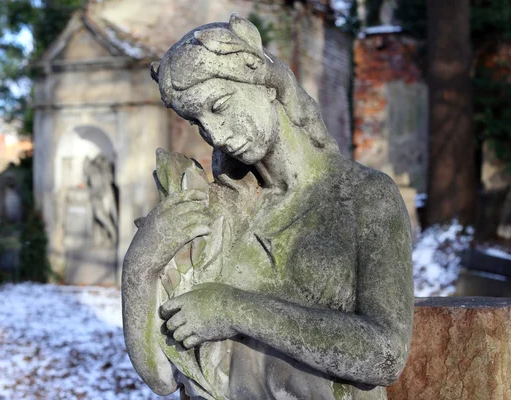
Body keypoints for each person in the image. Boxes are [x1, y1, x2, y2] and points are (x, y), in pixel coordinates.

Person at [122, 14, 413, 400]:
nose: (216, 134)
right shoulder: (216, 209)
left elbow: (386, 355)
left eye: (220, 106)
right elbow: (162, 376)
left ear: (264, 83)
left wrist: (233, 309)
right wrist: (140, 265)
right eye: (197, 122)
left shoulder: (365, 196)